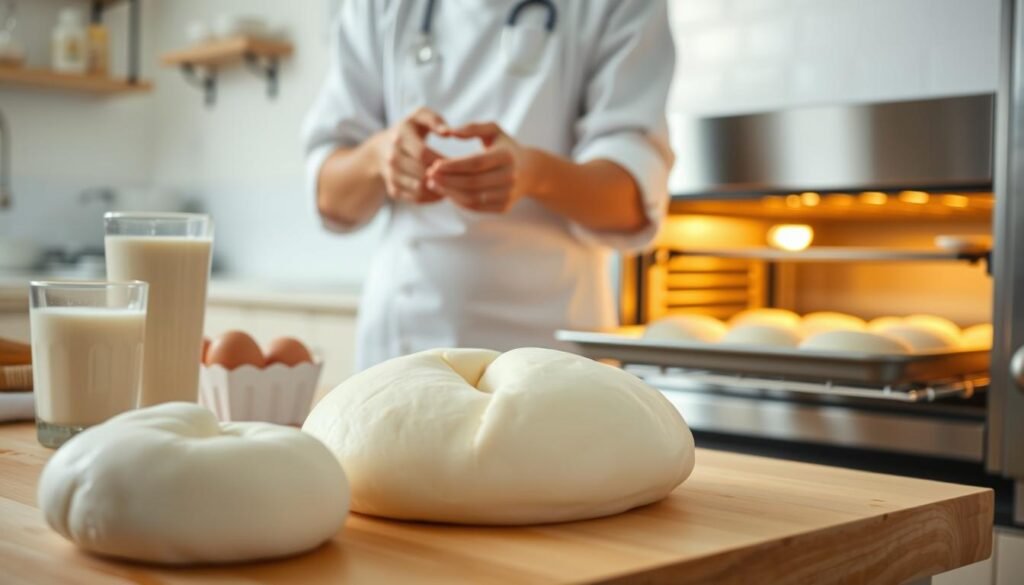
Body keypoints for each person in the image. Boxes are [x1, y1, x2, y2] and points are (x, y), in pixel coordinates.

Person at [303, 0, 675, 370]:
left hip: (552, 352)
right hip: (405, 341)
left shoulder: (620, 6)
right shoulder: (376, 7)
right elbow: (329, 196)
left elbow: (630, 202)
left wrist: (536, 174)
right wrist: (378, 157)